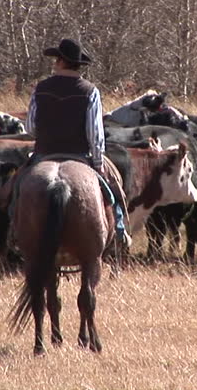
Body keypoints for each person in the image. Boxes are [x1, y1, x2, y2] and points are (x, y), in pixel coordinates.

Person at [21, 38, 130, 249]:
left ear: (61, 61)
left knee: (14, 189)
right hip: (79, 155)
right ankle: (119, 230)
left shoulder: (41, 88)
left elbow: (30, 127)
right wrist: (98, 163)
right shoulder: (90, 91)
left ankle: (13, 232)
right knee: (113, 189)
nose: (54, 63)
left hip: (44, 154)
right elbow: (94, 133)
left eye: (55, 60)